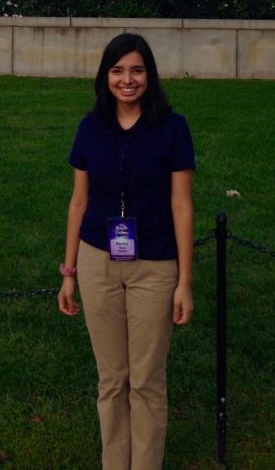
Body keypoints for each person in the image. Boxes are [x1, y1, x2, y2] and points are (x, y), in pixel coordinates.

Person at [58, 33, 195, 470]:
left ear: (149, 75)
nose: (127, 80)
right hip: (98, 261)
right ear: (105, 77)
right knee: (112, 380)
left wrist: (185, 283)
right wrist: (69, 272)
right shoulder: (90, 127)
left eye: (136, 70)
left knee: (147, 381)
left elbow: (181, 205)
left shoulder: (173, 128)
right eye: (117, 71)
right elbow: (78, 201)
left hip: (155, 265)